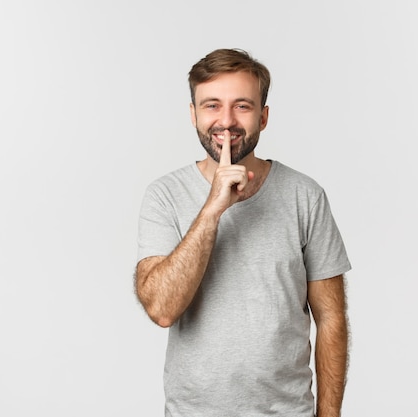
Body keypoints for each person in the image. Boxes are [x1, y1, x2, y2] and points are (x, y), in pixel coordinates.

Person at [135, 48, 352, 417]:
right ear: (193, 115)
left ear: (263, 117)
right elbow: (162, 309)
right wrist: (213, 208)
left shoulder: (305, 196)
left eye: (242, 106)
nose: (226, 120)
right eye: (212, 106)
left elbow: (330, 318)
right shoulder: (164, 195)